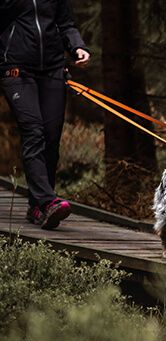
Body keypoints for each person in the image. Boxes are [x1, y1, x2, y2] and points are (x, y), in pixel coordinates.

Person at [0, 0, 90, 229]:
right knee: (34, 131)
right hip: (17, 71)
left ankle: (38, 207)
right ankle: (48, 201)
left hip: (53, 70)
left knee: (51, 136)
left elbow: (66, 23)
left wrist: (77, 47)